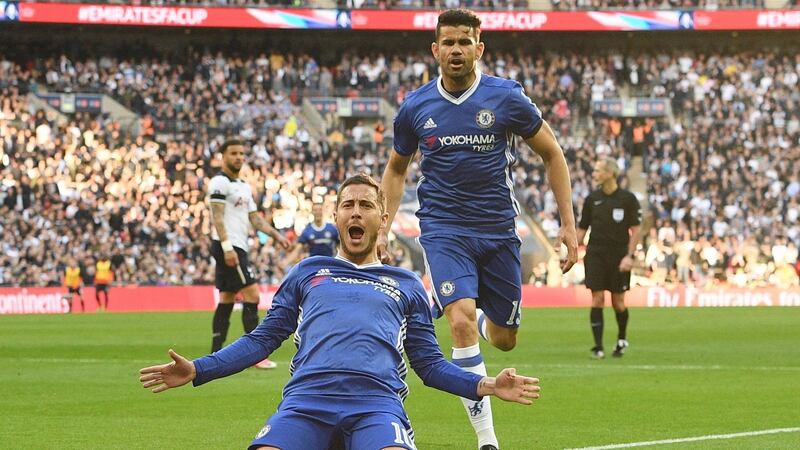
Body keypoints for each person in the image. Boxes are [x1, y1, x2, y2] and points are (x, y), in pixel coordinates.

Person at [139, 174, 541, 450]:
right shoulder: (307, 272)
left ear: (382, 219)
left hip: (377, 406)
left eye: (366, 205)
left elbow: (430, 365)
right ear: (335, 217)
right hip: (306, 403)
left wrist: (486, 385)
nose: (355, 212)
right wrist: (199, 369)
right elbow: (263, 339)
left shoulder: (405, 284)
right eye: (347, 204)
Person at [378, 9, 577, 449]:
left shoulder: (506, 98)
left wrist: (567, 223)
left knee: (505, 340)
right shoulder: (415, 106)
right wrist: (383, 226)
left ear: (478, 49)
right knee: (460, 321)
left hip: (499, 231)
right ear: (435, 50)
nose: (455, 50)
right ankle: (487, 440)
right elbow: (395, 170)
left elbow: (553, 153)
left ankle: (478, 312)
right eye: (447, 42)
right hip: (444, 228)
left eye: (464, 42)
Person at [207, 138, 290, 369]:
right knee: (252, 296)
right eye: (233, 153)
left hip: (237, 245)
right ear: (223, 156)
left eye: (242, 154)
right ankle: (255, 355)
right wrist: (226, 248)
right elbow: (216, 216)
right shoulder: (219, 182)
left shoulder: (243, 186)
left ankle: (215, 352)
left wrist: (276, 235)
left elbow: (255, 219)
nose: (239, 158)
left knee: (226, 298)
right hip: (229, 246)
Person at [577, 157, 642, 359]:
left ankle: (621, 339)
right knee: (597, 299)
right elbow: (582, 229)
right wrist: (569, 251)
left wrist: (630, 256)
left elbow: (636, 230)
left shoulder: (628, 199)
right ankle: (598, 347)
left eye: (598, 170)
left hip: (619, 254)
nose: (594, 174)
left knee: (618, 302)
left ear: (610, 173)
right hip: (595, 253)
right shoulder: (592, 199)